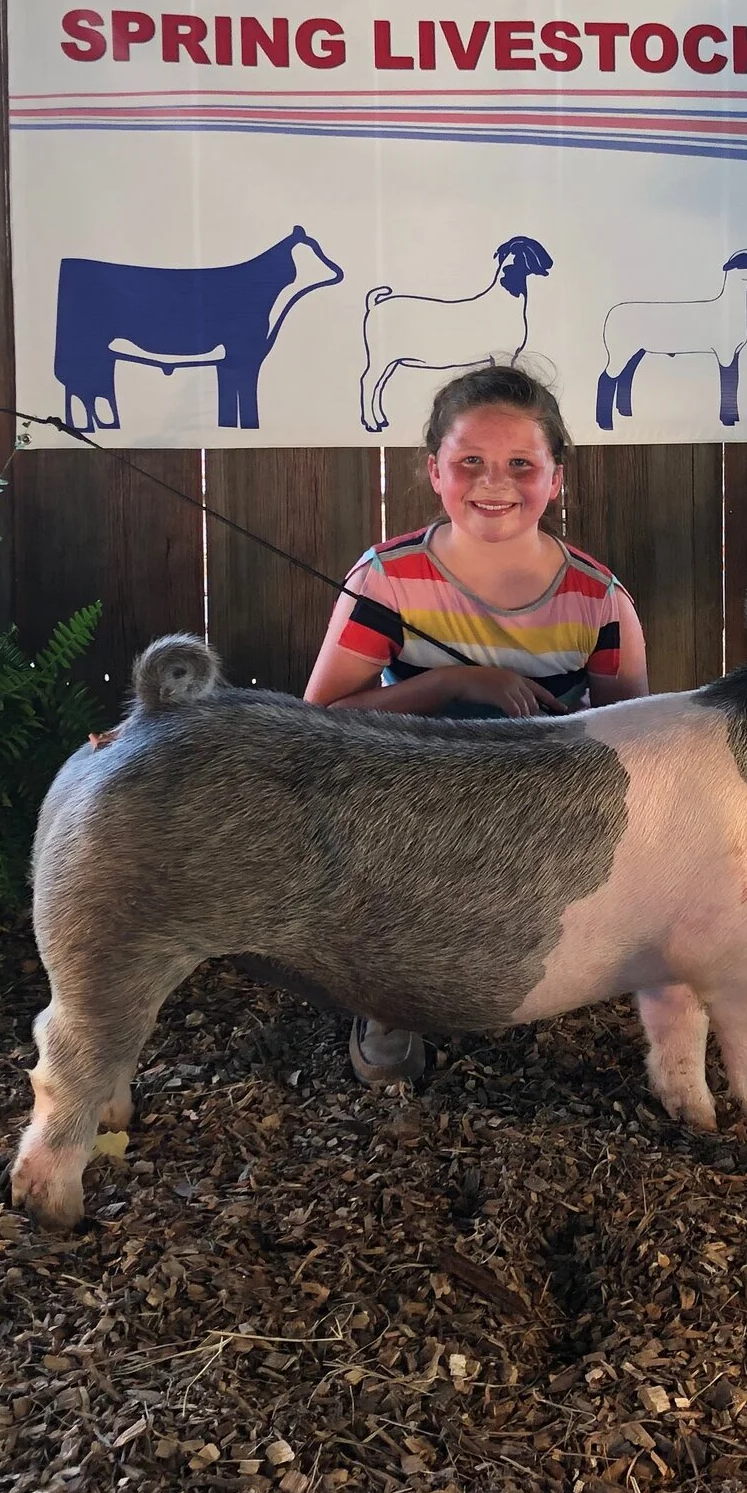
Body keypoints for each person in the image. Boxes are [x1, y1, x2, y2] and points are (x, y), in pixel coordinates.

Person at [304, 363, 650, 1084]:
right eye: (470, 462)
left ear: (555, 478)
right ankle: (388, 1001)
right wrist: (455, 682)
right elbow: (323, 722)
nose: (495, 483)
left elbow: (632, 740)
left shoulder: (599, 599)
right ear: (435, 470)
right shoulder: (386, 579)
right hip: (408, 803)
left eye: (521, 464)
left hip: (542, 807)